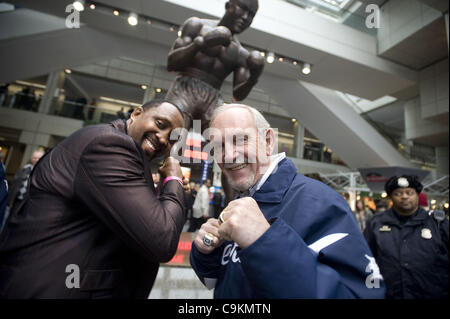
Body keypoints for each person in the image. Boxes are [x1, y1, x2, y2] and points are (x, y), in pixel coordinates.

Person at [190, 104, 385, 298]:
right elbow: (224, 280)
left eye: (240, 140)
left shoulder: (322, 203)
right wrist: (206, 252)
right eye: (219, 146)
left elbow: (357, 294)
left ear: (267, 141)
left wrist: (263, 241)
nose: (229, 155)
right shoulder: (244, 196)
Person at [0, 99, 186, 298]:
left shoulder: (121, 151)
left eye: (173, 139)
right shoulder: (110, 145)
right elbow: (162, 239)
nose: (164, 139)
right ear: (136, 114)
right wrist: (174, 179)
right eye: (160, 124)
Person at [165, 0, 264, 131]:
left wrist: (253, 78)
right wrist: (201, 43)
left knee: (223, 142)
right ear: (228, 6)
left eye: (251, 14)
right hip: (184, 88)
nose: (245, 17)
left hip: (213, 98)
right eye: (243, 8)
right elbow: (171, 64)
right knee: (173, 135)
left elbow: (238, 95)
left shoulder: (241, 53)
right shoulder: (197, 25)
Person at [364, 175, 449, 299]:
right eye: (398, 193)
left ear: (417, 195)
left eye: (409, 193)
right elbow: (365, 257)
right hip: (390, 294)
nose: (404, 196)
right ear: (391, 197)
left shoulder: (437, 223)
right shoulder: (376, 224)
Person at [7, 149, 45, 215]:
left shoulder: (44, 172)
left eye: (39, 158)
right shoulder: (25, 169)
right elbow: (14, 184)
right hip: (16, 201)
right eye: (34, 158)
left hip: (29, 204)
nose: (36, 160)